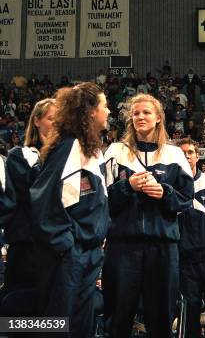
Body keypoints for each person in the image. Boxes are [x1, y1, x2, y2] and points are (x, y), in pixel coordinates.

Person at [103, 93, 194, 338]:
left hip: (163, 246)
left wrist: (164, 193)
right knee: (118, 316)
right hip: (123, 246)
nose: (140, 117)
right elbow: (101, 201)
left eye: (146, 112)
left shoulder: (174, 155)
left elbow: (186, 199)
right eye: (136, 113)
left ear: (158, 119)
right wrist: (127, 187)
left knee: (161, 317)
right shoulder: (116, 151)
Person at [29, 83, 111, 337]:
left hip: (87, 253)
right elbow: (43, 202)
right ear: (90, 112)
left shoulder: (90, 150)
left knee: (79, 327)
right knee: (57, 327)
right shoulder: (69, 147)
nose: (108, 111)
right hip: (70, 256)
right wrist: (68, 246)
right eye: (104, 105)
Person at [0, 98, 56, 294]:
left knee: (54, 318)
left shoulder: (71, 157)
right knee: (18, 316)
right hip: (26, 245)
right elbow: (34, 194)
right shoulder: (19, 155)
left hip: (58, 247)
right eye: (51, 119)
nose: (56, 124)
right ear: (37, 121)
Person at [178, 138, 205, 338]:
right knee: (188, 310)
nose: (187, 156)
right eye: (182, 152)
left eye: (190, 152)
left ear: (197, 156)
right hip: (184, 260)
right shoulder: (170, 186)